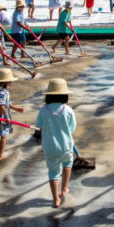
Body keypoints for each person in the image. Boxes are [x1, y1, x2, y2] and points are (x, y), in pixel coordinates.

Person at [35, 78, 77, 207]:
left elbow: (39, 127)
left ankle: (55, 199)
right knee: (67, 164)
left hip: (49, 146)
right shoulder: (68, 110)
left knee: (53, 172)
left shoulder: (43, 110)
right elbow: (72, 129)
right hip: (66, 145)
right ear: (65, 95)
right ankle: (64, 189)